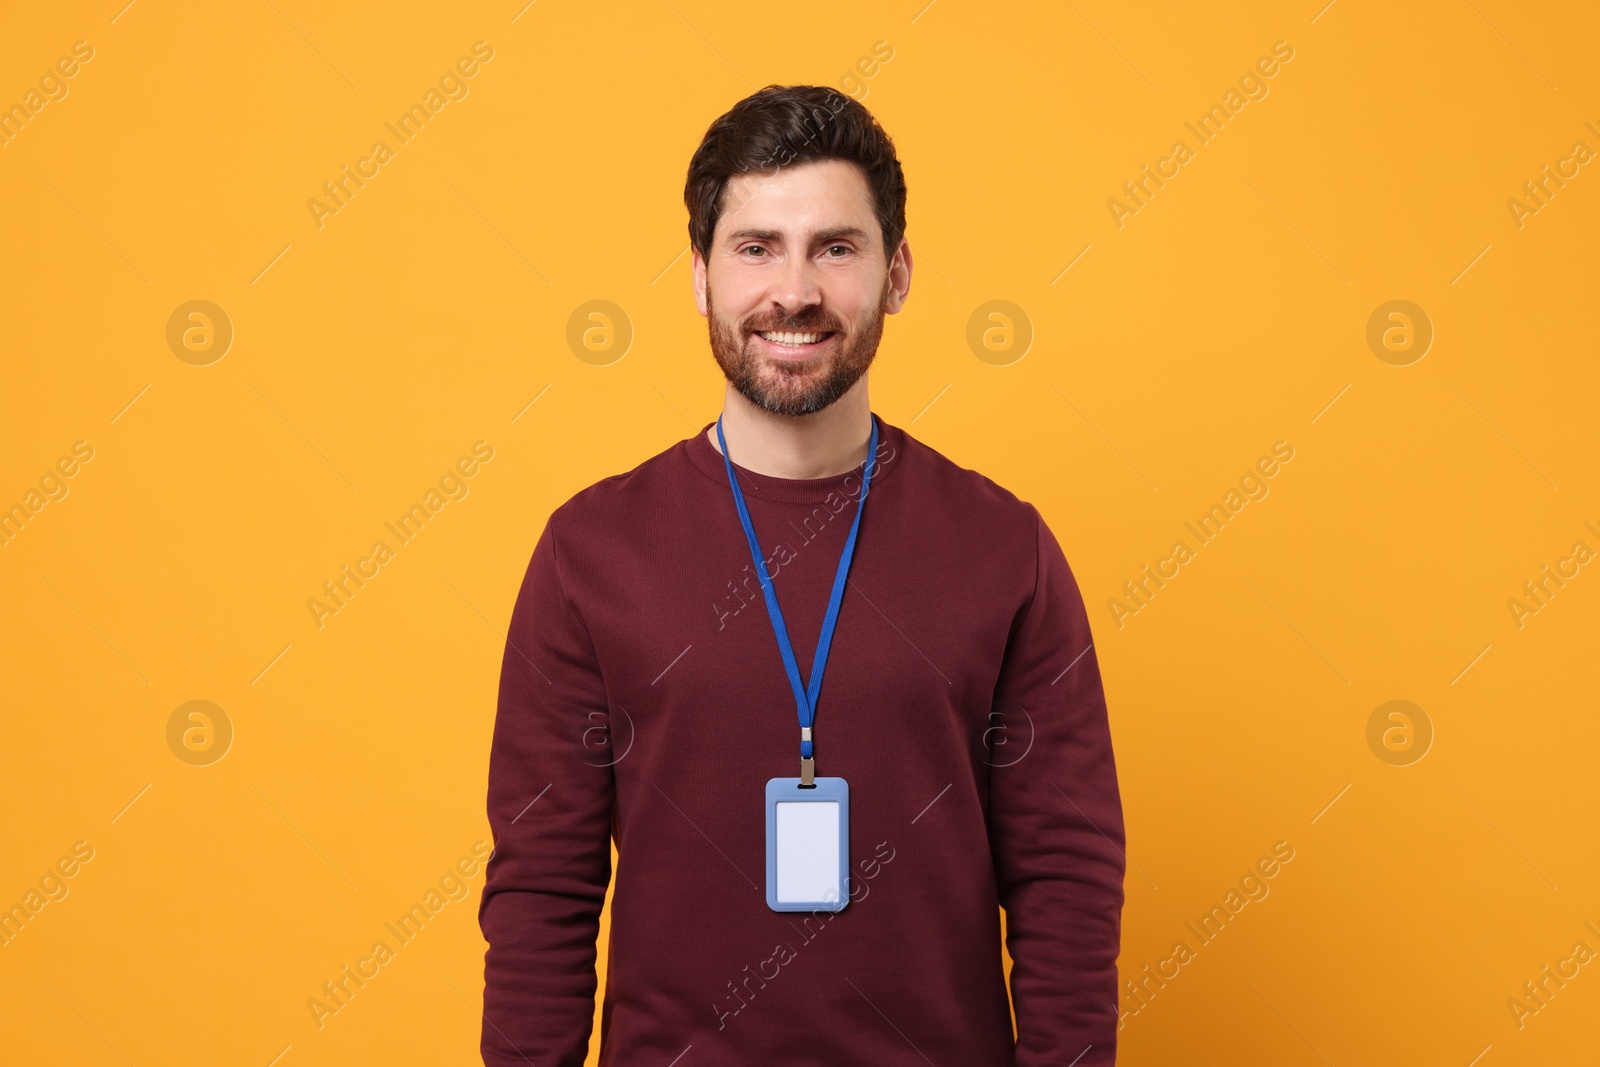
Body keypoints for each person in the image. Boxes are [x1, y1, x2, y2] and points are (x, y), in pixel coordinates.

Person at [478, 83, 1125, 1066]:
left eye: (834, 246)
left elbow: (1065, 874)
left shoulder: (1004, 548)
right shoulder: (590, 550)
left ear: (897, 272)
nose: (793, 290)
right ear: (698, 276)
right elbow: (541, 886)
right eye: (755, 248)